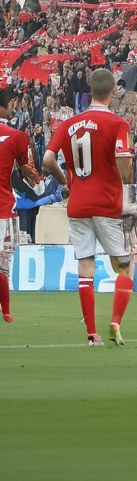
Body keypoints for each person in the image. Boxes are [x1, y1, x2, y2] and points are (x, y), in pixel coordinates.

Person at [42, 69, 135, 347]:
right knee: (124, 266)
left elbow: (47, 160)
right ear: (113, 92)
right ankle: (115, 322)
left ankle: (92, 335)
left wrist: (65, 181)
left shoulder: (69, 123)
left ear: (89, 91)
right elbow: (123, 161)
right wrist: (127, 179)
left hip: (78, 204)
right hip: (107, 204)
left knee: (85, 266)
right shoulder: (118, 123)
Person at [0, 88, 40, 323]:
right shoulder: (17, 137)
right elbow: (29, 174)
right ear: (13, 102)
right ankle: (6, 310)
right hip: (3, 210)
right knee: (3, 265)